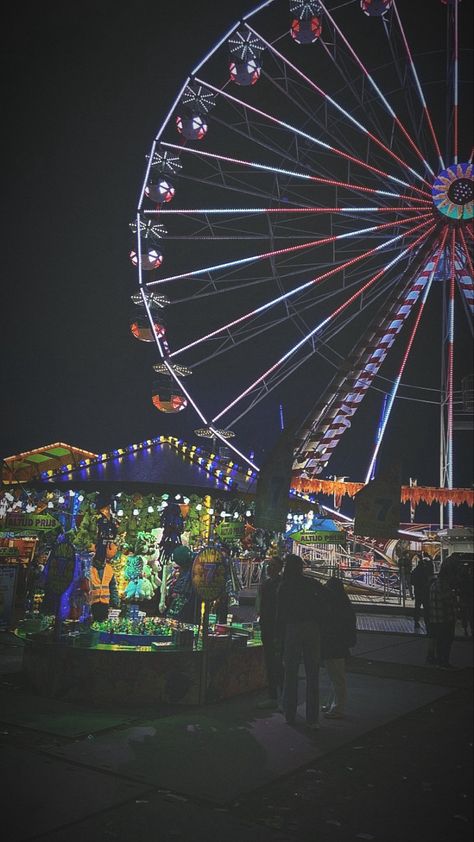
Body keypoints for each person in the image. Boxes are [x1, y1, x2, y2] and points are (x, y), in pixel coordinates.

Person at [276, 554, 323, 730]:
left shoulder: (285, 586)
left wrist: (277, 636)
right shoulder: (311, 584)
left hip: (292, 628)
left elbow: (279, 615)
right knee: (313, 673)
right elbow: (326, 600)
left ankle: (290, 713)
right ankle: (312, 718)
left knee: (290, 672)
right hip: (311, 628)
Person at [321, 577, 357, 719]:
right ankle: (332, 703)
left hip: (334, 644)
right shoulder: (343, 604)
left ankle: (338, 707)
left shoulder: (334, 606)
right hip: (338, 644)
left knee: (336, 676)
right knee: (334, 675)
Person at [256, 557, 284, 709]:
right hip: (266, 626)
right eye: (269, 565)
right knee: (269, 661)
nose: (269, 567)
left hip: (276, 628)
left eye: (273, 565)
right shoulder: (266, 584)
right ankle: (273, 694)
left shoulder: (281, 585)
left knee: (277, 662)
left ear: (279, 568)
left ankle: (281, 694)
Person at [427, 564, 457, 668]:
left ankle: (439, 659)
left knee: (439, 640)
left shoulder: (433, 584)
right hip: (445, 617)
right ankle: (444, 661)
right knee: (446, 640)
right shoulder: (443, 586)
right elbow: (449, 600)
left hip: (435, 617)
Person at [411, 554, 434, 630]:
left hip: (417, 591)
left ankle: (416, 621)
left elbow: (412, 582)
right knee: (426, 607)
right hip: (425, 591)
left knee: (417, 606)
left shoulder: (415, 571)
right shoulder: (425, 571)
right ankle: (427, 622)